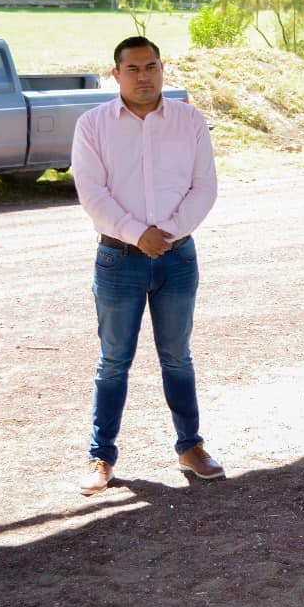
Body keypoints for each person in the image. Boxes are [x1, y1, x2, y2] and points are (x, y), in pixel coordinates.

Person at [71, 35, 222, 495]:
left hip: (178, 257)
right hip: (119, 258)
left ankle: (190, 447)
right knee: (114, 361)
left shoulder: (189, 120)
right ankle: (101, 456)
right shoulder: (93, 125)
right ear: (115, 73)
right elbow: (92, 193)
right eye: (133, 69)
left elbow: (204, 187)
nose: (143, 76)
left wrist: (167, 234)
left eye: (151, 66)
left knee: (178, 357)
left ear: (162, 69)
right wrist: (139, 235)